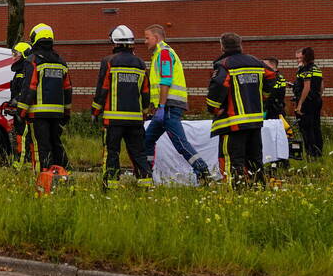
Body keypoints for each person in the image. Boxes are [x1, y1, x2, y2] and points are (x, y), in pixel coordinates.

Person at [142, 24, 211, 184]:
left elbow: (166, 80)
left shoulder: (164, 53)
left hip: (169, 107)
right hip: (166, 107)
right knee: (147, 140)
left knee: (180, 143)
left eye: (147, 38)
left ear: (157, 38)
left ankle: (203, 171)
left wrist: (162, 106)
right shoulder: (160, 54)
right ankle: (145, 173)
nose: (145, 41)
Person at [205, 32, 276, 187]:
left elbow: (217, 86)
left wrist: (214, 109)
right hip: (255, 121)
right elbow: (272, 76)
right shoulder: (256, 62)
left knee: (232, 159)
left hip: (232, 123)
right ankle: (258, 188)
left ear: (222, 46)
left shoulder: (224, 65)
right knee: (254, 158)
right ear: (240, 44)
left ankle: (235, 191)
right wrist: (263, 96)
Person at [91, 25, 153, 189]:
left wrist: (95, 111)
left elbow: (102, 89)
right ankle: (146, 184)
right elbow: (146, 91)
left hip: (113, 120)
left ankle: (110, 185)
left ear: (115, 42)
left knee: (112, 153)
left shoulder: (109, 61)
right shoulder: (140, 63)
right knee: (139, 154)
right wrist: (145, 113)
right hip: (135, 121)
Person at [17, 23, 71, 171]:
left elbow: (29, 88)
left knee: (41, 147)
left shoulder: (33, 60)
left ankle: (43, 179)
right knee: (56, 144)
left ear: (35, 38)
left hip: (38, 114)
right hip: (57, 115)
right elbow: (67, 90)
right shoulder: (61, 62)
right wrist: (67, 113)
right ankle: (63, 174)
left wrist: (20, 113)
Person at [7, 41, 36, 170]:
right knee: (23, 136)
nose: (14, 57)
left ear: (24, 55)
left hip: (25, 111)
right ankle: (25, 162)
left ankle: (20, 165)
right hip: (20, 109)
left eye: (16, 54)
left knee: (23, 137)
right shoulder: (20, 70)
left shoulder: (26, 71)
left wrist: (18, 101)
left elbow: (26, 91)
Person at [293, 46, 323, 158]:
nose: (298, 60)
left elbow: (306, 87)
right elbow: (321, 86)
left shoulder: (306, 69)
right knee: (316, 127)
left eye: (300, 57)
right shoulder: (316, 68)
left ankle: (310, 153)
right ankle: (318, 153)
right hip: (317, 100)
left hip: (307, 103)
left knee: (306, 128)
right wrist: (317, 96)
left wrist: (300, 104)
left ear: (305, 56)